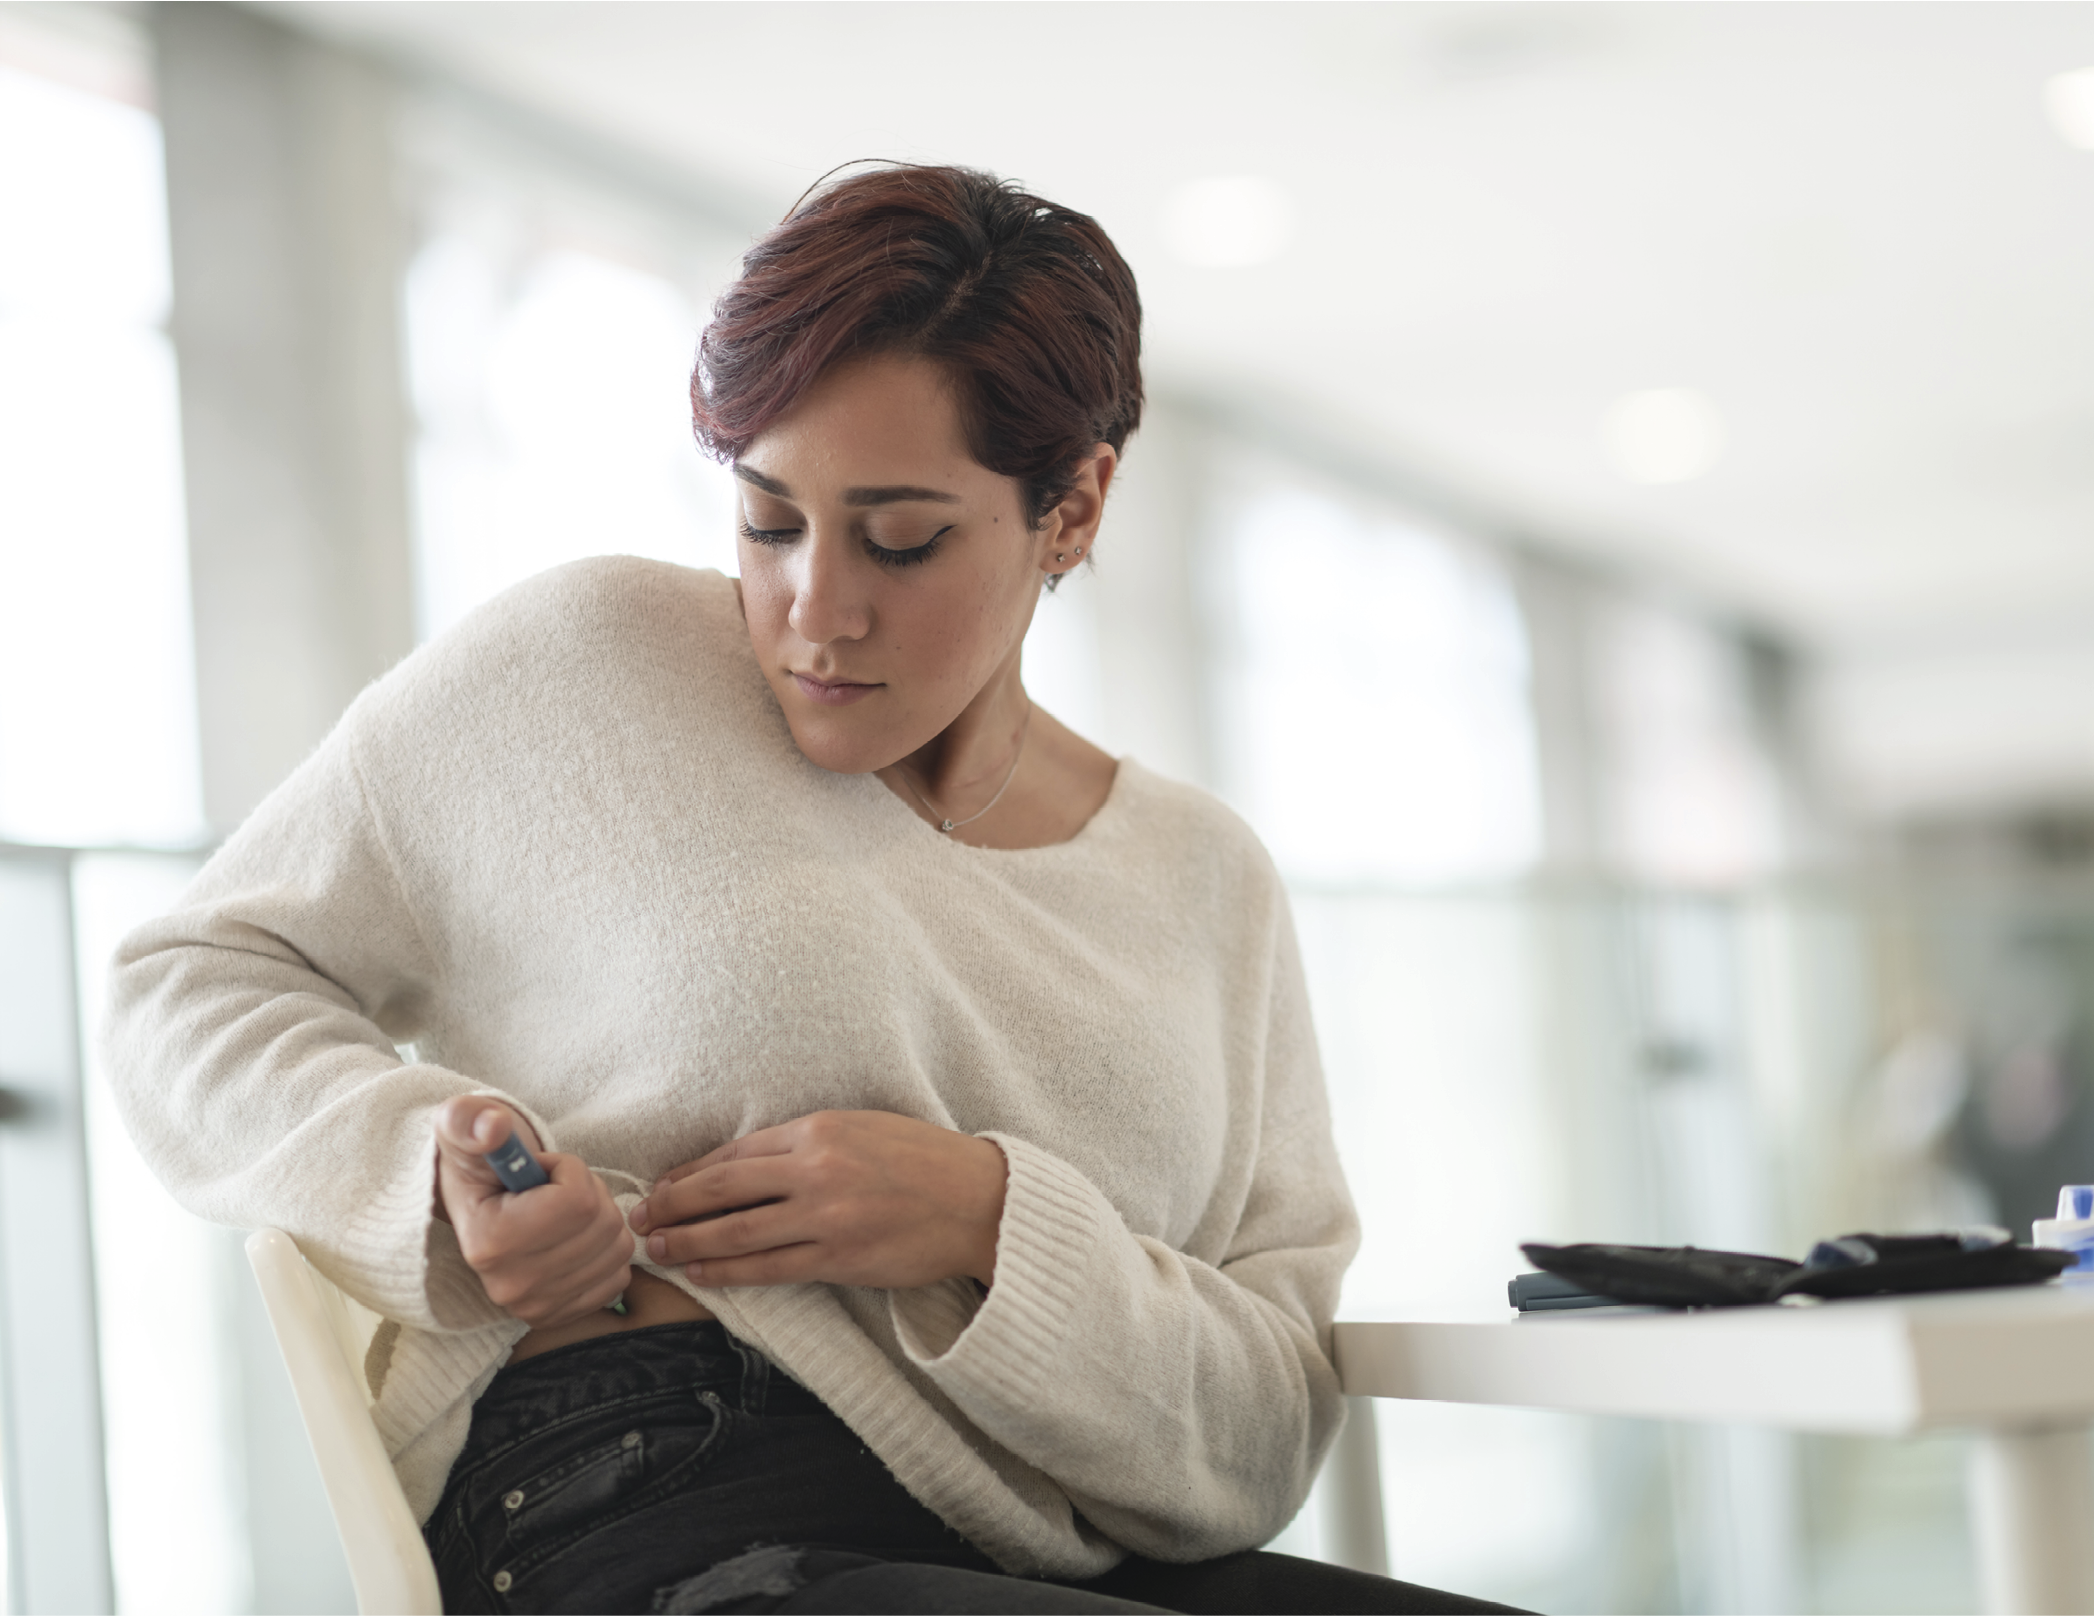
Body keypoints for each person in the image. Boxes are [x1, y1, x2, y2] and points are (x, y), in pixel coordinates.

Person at [107, 164, 1529, 1616]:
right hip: (656, 1492)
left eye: (901, 540)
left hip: (1074, 1547)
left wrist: (987, 1223)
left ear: (1073, 507)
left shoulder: (1204, 879)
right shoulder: (585, 668)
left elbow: (1262, 1429)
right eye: (769, 521)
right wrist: (429, 1172)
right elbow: (189, 982)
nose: (813, 611)